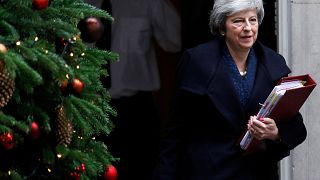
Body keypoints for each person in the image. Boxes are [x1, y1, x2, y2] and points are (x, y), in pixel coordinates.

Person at [152, 0, 307, 179]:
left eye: (253, 20)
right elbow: (176, 129)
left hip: (257, 172)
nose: (248, 28)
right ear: (222, 27)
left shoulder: (274, 64)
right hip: (207, 171)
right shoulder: (197, 62)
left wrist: (275, 133)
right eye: (238, 21)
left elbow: (297, 128)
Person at [105, 0, 181, 180]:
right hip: (86, 106)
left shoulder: (148, 2)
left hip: (135, 111)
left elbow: (174, 42)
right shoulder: (78, 3)